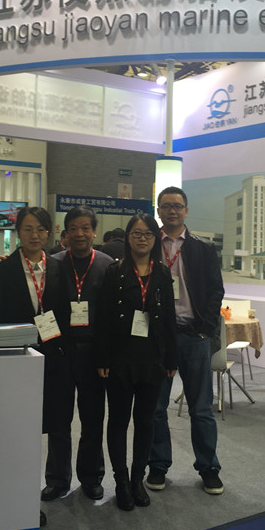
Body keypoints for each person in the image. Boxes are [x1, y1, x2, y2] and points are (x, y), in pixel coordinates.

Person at [0, 206, 65, 530]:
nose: (35, 235)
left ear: (48, 233)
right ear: (18, 232)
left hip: (52, 363)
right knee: (18, 432)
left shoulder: (57, 267)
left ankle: (46, 487)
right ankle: (17, 495)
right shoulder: (3, 270)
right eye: (28, 229)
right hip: (16, 364)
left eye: (41, 229)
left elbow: (64, 313)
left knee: (48, 427)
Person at [147, 186, 225, 495]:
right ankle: (158, 465)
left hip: (194, 335)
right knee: (156, 407)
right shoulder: (150, 245)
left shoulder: (201, 248)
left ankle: (209, 467)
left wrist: (205, 327)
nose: (172, 211)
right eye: (166, 206)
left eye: (177, 206)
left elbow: (216, 290)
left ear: (186, 211)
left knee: (201, 408)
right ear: (158, 211)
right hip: (158, 339)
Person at [96, 214, 177, 511]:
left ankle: (136, 479)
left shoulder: (162, 273)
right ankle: (120, 481)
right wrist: (102, 357)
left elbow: (169, 319)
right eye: (137, 233)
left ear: (155, 239)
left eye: (148, 234)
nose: (142, 239)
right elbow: (104, 318)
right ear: (128, 237)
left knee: (145, 422)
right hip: (120, 359)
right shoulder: (115, 272)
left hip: (152, 360)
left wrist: (171, 358)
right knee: (118, 421)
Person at [45, 205, 114, 502]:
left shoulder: (107, 265)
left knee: (92, 419)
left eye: (86, 228)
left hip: (93, 353)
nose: (80, 233)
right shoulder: (54, 264)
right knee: (58, 420)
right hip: (61, 351)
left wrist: (106, 355)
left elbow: (111, 315)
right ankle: (57, 479)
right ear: (66, 232)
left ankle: (91, 476)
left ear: (94, 232)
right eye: (74, 228)